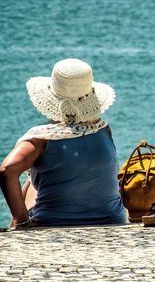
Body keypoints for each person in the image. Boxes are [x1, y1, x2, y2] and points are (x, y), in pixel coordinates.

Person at [0, 58, 127, 228]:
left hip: (52, 223)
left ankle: (18, 230)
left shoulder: (41, 138)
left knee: (30, 182)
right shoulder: (103, 130)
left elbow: (7, 170)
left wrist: (23, 221)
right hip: (111, 220)